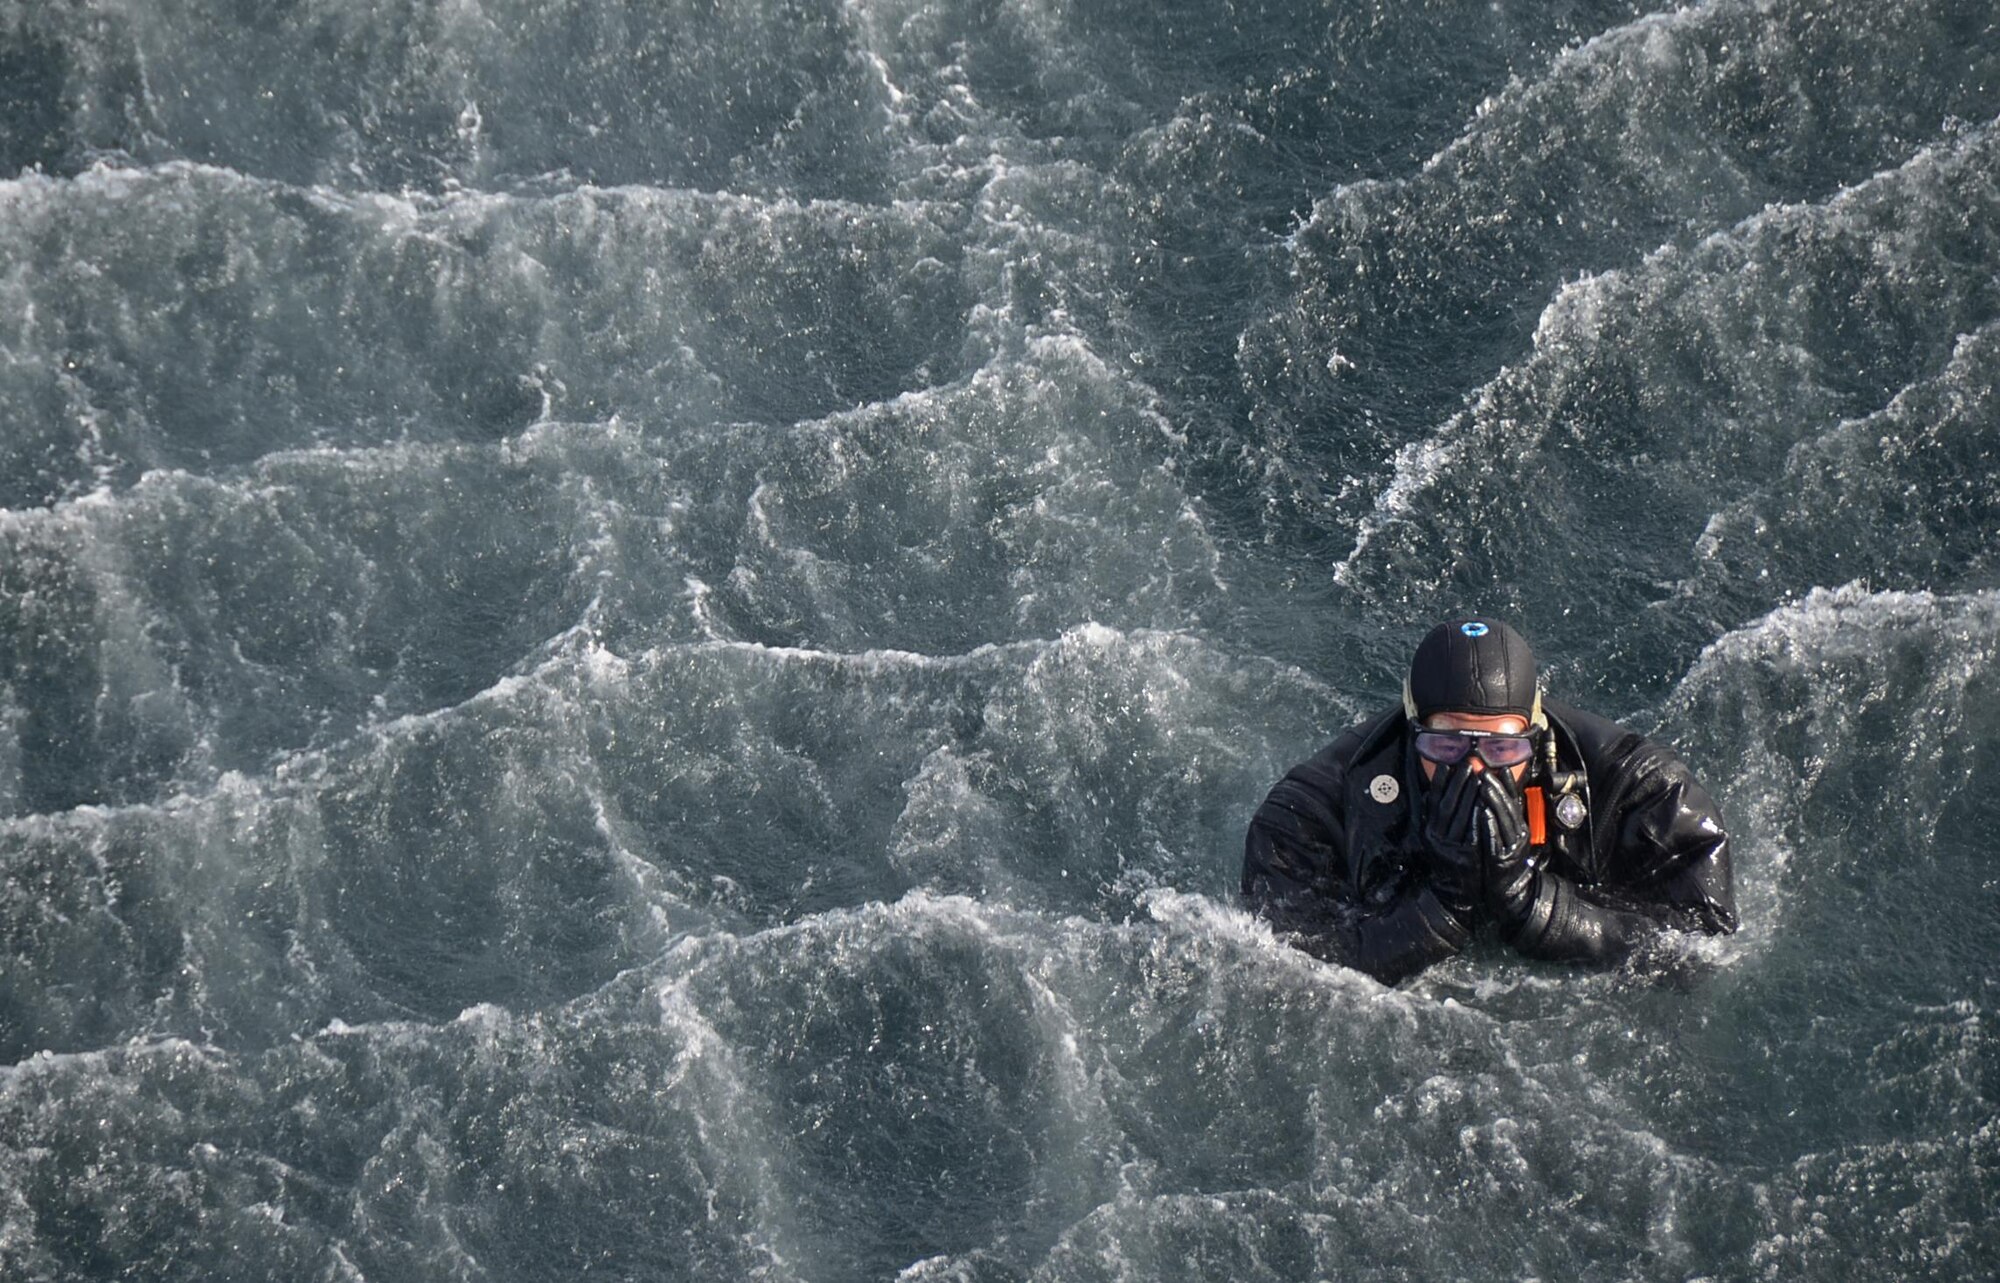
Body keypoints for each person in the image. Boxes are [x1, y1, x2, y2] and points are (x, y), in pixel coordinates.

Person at [1242, 616, 1736, 983]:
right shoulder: (1315, 808)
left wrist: (1531, 902)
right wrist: (1443, 905)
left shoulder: (1641, 789)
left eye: (1502, 749)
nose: (1475, 768)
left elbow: (1700, 952)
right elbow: (1291, 964)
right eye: (1447, 747)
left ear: (1534, 734)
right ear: (1412, 731)